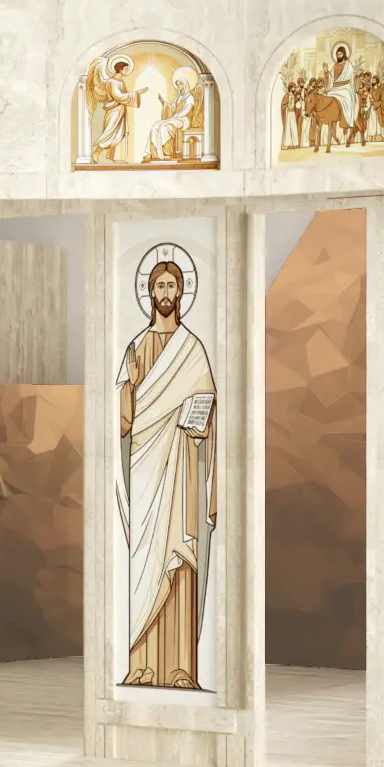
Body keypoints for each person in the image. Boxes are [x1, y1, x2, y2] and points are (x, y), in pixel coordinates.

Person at [117, 252, 217, 690]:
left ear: (181, 292)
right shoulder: (137, 349)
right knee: (145, 561)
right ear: (149, 292)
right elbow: (123, 420)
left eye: (172, 286)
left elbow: (209, 410)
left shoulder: (192, 349)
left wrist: (200, 423)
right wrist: (129, 384)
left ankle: (181, 668)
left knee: (179, 559)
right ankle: (142, 666)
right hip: (146, 468)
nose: (165, 293)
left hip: (181, 468)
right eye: (159, 286)